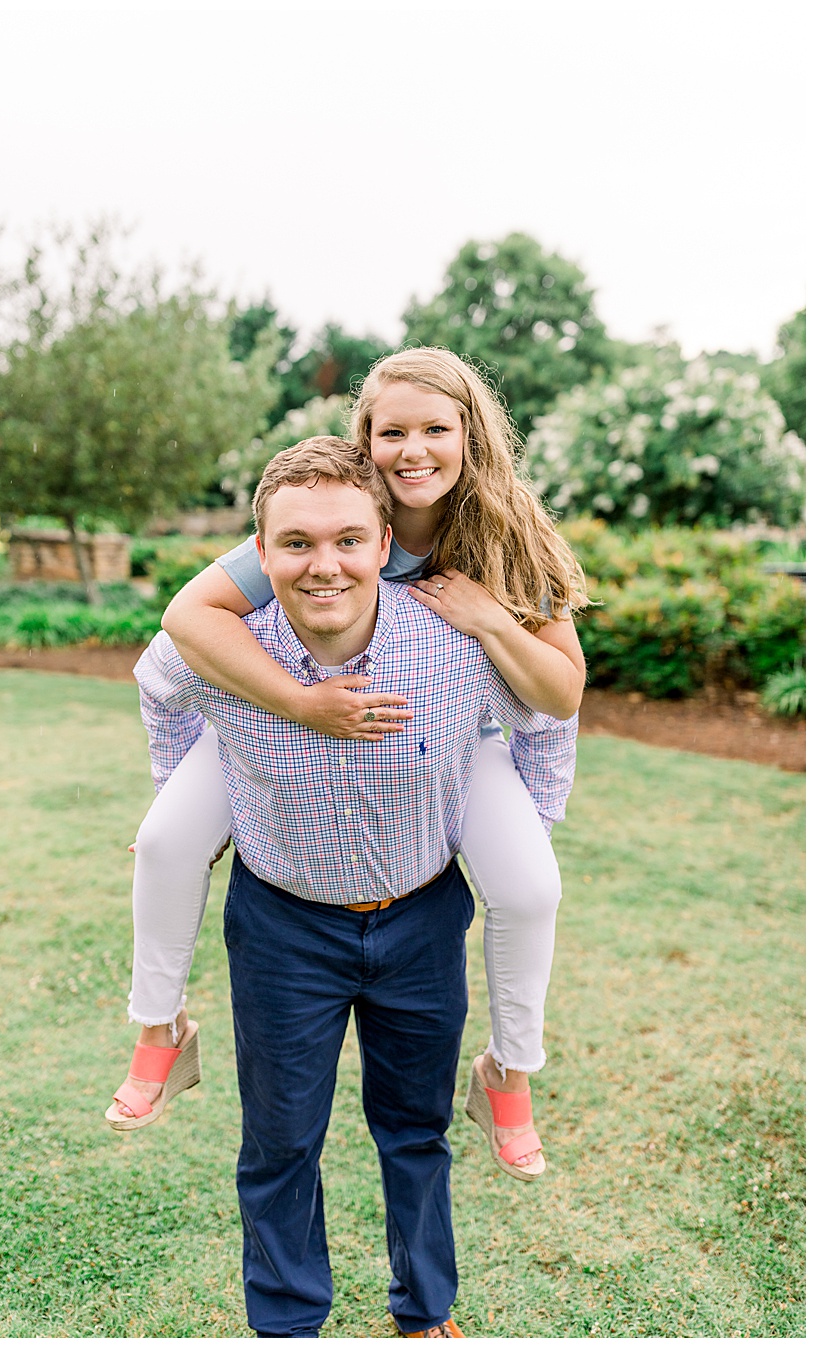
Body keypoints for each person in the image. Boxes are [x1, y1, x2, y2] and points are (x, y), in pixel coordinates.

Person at [110, 348, 589, 1185]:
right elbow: (185, 622)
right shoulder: (326, 521)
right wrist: (296, 704)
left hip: (451, 741)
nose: (413, 450)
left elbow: (560, 692)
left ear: (470, 435)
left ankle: (507, 1075)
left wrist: (489, 620)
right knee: (163, 844)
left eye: (436, 429)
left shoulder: (509, 534)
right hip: (272, 726)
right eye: (390, 430)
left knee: (529, 889)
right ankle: (160, 1031)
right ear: (362, 439)